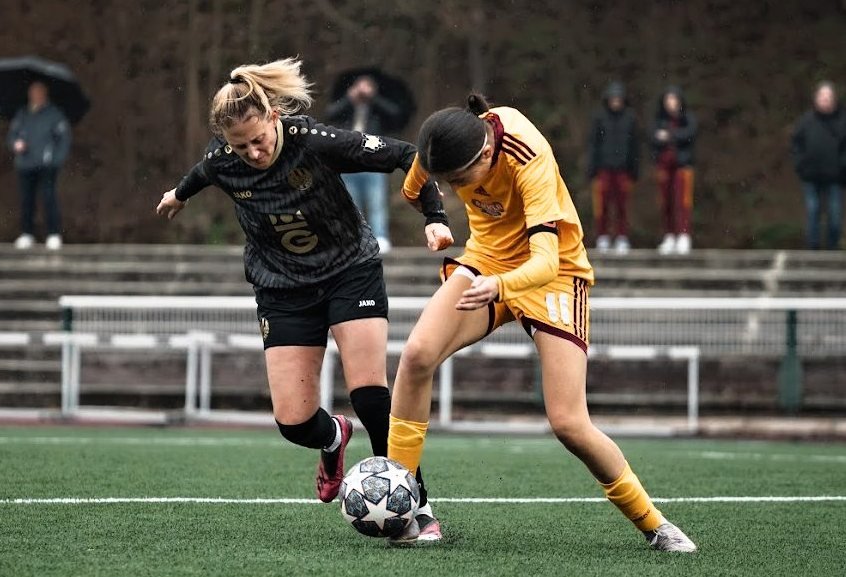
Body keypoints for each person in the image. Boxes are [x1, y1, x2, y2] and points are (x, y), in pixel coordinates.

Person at [155, 58, 453, 542]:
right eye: (240, 146)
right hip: (281, 285)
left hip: (349, 270)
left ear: (274, 117)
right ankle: (334, 437)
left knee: (369, 395)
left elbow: (406, 153)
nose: (253, 153)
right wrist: (178, 194)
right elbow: (203, 172)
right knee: (294, 423)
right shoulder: (223, 159)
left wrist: (434, 216)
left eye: (259, 140)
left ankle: (415, 505)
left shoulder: (314, 141)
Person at [387, 94, 697, 552]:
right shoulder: (444, 143)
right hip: (488, 262)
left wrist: (500, 287)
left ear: (486, 154)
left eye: (458, 180)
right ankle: (403, 504)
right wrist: (435, 219)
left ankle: (655, 524)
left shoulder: (528, 156)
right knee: (416, 356)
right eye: (446, 180)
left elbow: (547, 262)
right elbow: (414, 190)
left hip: (553, 276)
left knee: (568, 422)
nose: (452, 188)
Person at [325, 75, 402, 252]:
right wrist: (349, 99)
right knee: (350, 203)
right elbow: (330, 114)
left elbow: (394, 114)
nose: (362, 91)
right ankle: (354, 238)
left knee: (377, 201)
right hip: (349, 161)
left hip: (373, 161)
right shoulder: (347, 108)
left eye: (366, 87)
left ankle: (380, 236)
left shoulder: (376, 110)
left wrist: (373, 98)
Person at [7, 81, 71, 250]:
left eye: (38, 92)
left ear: (44, 94)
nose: (35, 96)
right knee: (26, 200)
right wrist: (16, 144)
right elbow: (12, 135)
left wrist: (55, 159)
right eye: (33, 92)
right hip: (25, 164)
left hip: (46, 165)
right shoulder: (22, 114)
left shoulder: (54, 114)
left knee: (49, 198)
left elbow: (64, 139)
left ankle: (53, 233)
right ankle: (27, 233)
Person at [791, 81, 846, 250]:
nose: (825, 100)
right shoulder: (806, 121)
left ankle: (832, 248)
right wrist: (800, 164)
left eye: (828, 97)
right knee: (812, 210)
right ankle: (813, 248)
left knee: (835, 215)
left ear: (834, 99)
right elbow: (796, 144)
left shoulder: (842, 120)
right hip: (811, 175)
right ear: (816, 99)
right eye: (822, 97)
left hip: (835, 176)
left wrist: (842, 165)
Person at [587, 81, 639, 254]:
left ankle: (622, 236)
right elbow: (593, 145)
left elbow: (634, 146)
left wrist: (634, 170)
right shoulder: (599, 118)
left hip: (623, 169)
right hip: (604, 169)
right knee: (602, 205)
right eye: (613, 98)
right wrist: (592, 169)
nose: (616, 102)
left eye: (618, 98)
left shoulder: (630, 119)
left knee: (622, 205)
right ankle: (602, 236)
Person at [650, 86, 697, 255]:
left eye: (674, 99)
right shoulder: (659, 120)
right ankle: (669, 235)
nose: (671, 103)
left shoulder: (687, 118)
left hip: (682, 167)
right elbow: (653, 138)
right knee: (666, 203)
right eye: (668, 100)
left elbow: (689, 134)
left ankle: (684, 235)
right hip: (664, 167)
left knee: (683, 202)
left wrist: (670, 135)